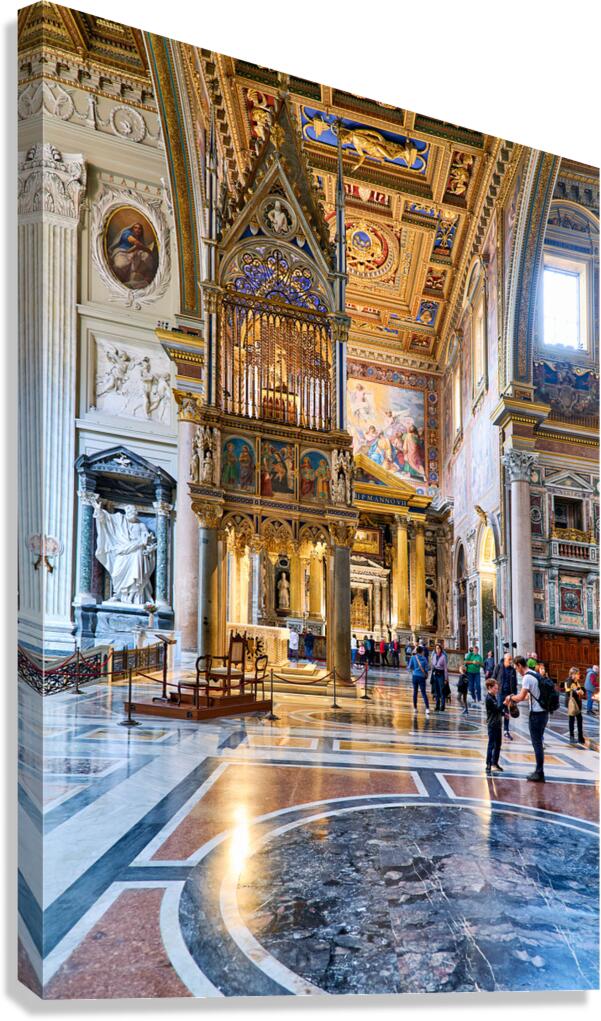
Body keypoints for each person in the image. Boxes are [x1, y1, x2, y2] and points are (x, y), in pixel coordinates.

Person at [507, 656, 548, 782]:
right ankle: (539, 771)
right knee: (538, 742)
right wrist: (516, 699)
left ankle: (539, 773)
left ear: (519, 665)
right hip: (544, 713)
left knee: (537, 744)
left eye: (516, 668)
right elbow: (528, 696)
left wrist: (510, 698)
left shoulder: (527, 678)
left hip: (536, 715)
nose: (516, 670)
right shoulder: (534, 673)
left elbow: (520, 697)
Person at [494, 652, 517, 741]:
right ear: (505, 659)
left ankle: (506, 730)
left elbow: (514, 683)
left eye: (511, 659)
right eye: (509, 659)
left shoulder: (512, 670)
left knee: (507, 712)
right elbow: (493, 678)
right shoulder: (498, 666)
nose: (511, 661)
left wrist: (514, 695)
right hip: (500, 693)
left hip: (509, 694)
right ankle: (497, 729)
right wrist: (493, 690)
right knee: (499, 710)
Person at [485, 677, 506, 775]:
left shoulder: (494, 697)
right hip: (492, 725)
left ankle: (495, 763)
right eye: (495, 688)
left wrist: (504, 714)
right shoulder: (489, 698)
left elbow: (497, 711)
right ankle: (488, 764)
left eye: (497, 688)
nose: (497, 690)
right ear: (489, 687)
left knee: (498, 745)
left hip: (497, 724)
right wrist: (505, 703)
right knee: (491, 745)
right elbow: (496, 709)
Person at [564, 667, 586, 745]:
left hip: (577, 703)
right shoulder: (568, 681)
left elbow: (580, 690)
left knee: (580, 720)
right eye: (577, 674)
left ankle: (580, 737)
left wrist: (581, 691)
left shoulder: (576, 681)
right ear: (573, 674)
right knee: (572, 720)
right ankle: (572, 737)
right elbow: (570, 690)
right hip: (572, 703)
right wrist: (577, 691)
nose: (579, 675)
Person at [408, 645, 430, 717]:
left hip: (415, 676)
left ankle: (415, 708)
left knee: (415, 692)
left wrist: (414, 670)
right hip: (422, 677)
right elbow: (427, 668)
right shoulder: (424, 658)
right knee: (423, 693)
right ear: (422, 651)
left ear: (416, 651)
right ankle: (427, 708)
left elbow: (409, 667)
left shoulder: (413, 657)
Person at [430, 642, 448, 712]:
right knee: (436, 691)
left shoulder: (443, 657)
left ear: (441, 649)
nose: (437, 650)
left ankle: (442, 706)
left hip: (441, 674)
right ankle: (437, 705)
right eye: (436, 648)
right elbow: (433, 665)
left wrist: (446, 679)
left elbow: (445, 668)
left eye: (439, 648)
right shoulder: (434, 655)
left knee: (442, 690)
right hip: (435, 674)